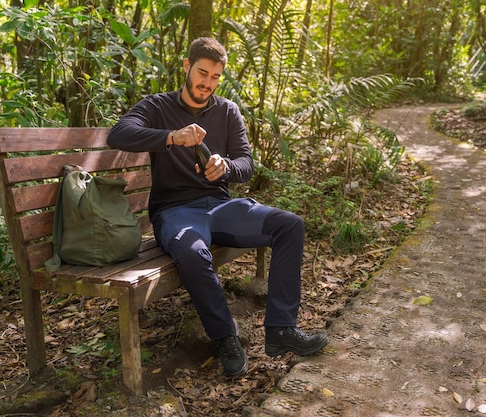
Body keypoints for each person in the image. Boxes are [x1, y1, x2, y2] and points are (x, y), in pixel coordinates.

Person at [107, 37, 328, 377]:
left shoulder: (227, 111)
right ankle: (225, 337)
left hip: (221, 207)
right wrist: (172, 136)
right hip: (175, 211)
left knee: (290, 225)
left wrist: (226, 166)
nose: (207, 83)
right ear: (186, 66)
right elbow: (119, 134)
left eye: (214, 77)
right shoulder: (158, 106)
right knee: (193, 253)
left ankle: (280, 330)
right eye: (201, 73)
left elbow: (246, 164)